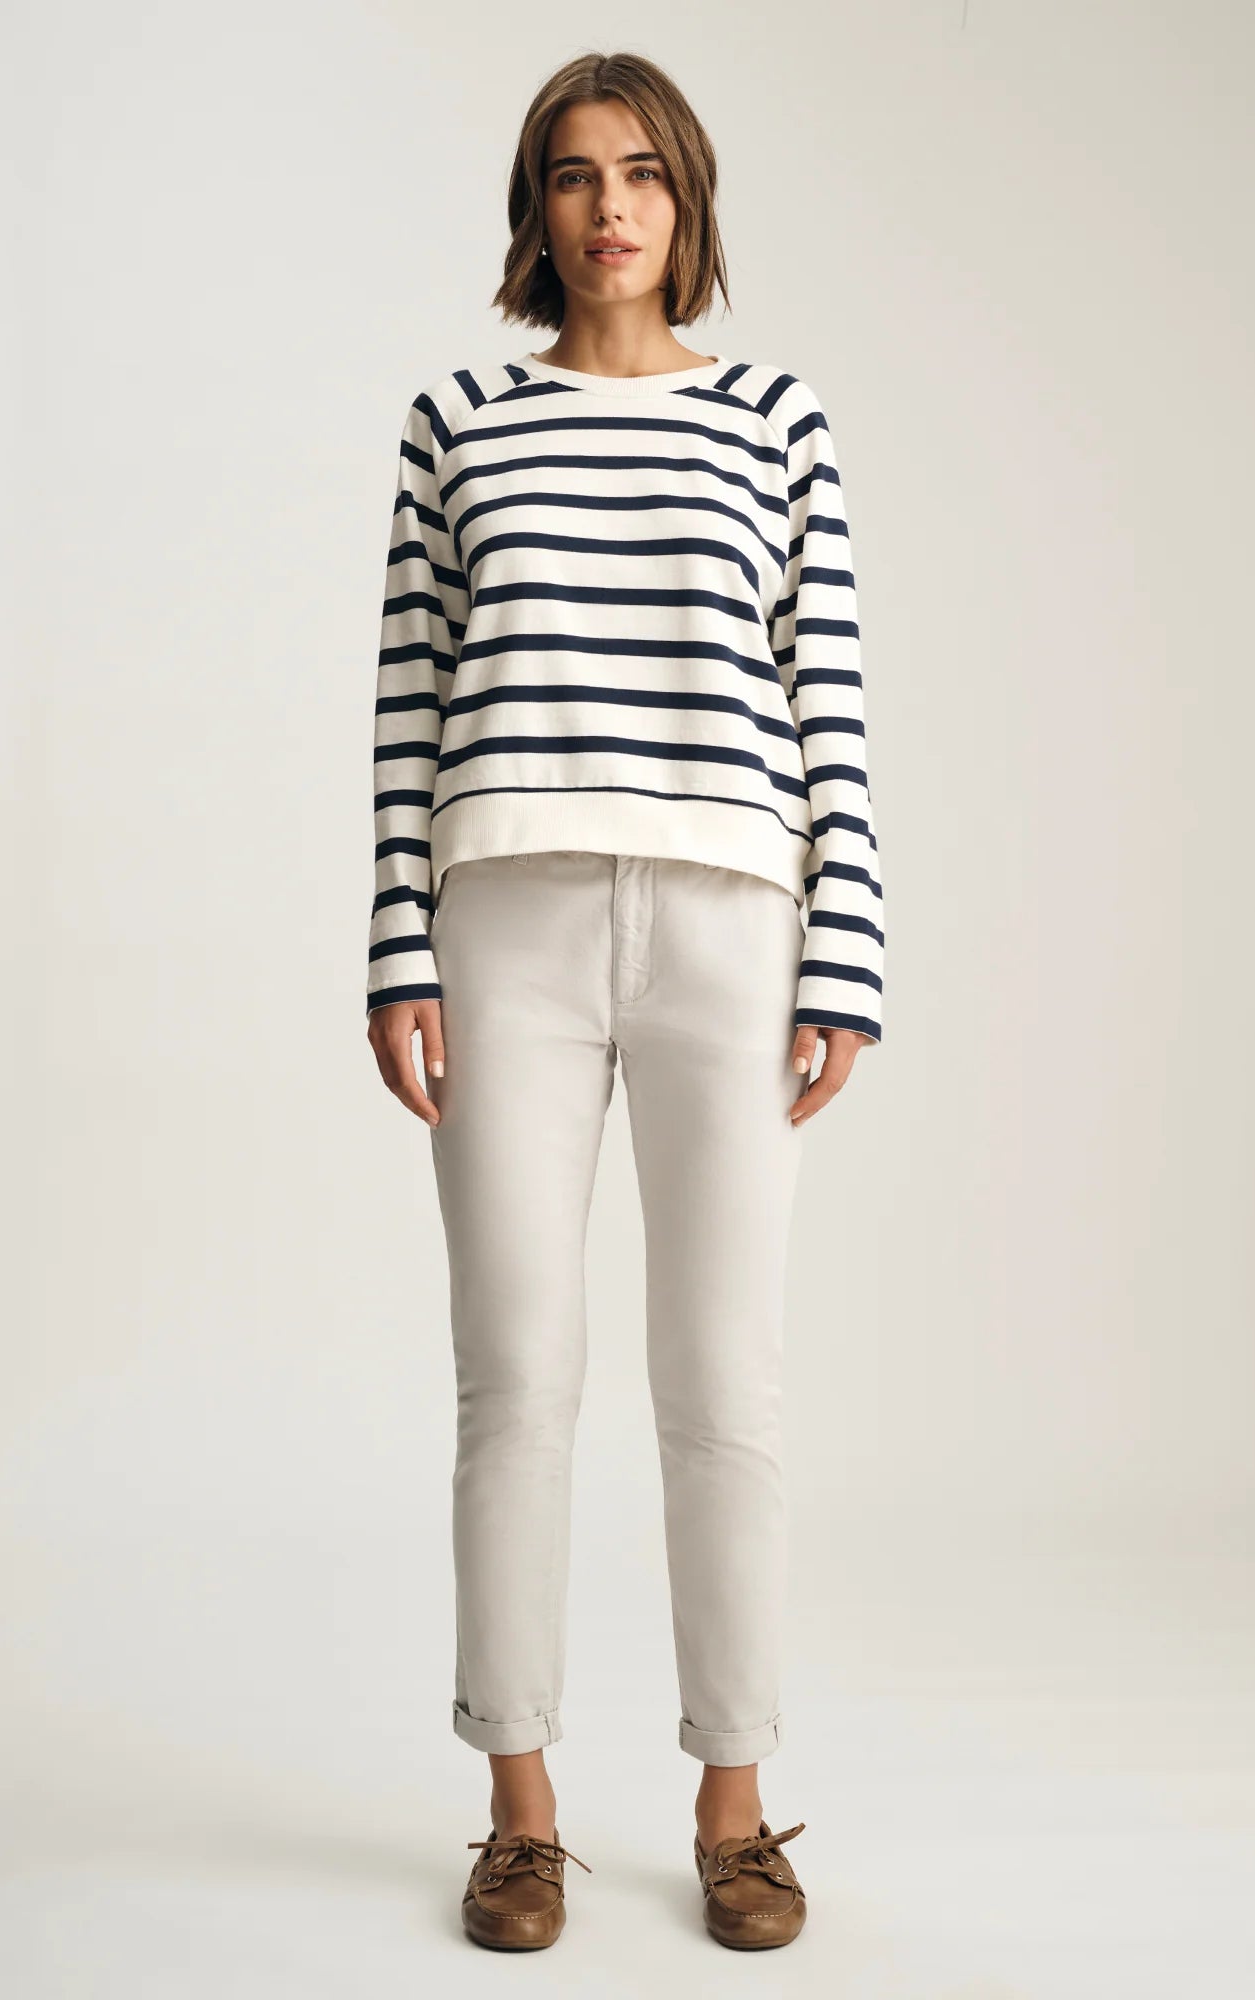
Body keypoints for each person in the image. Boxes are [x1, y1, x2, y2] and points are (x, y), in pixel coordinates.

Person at [365, 48, 884, 1953]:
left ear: (688, 202)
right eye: (576, 175)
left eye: (644, 174)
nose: (611, 208)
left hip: (730, 923)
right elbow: (409, 699)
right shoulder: (457, 422)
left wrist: (846, 950)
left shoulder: (774, 421)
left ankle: (734, 1806)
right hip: (502, 917)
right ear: (536, 207)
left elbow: (825, 700)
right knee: (514, 1374)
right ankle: (519, 1814)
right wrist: (396, 945)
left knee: (723, 1382)